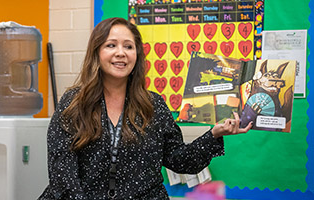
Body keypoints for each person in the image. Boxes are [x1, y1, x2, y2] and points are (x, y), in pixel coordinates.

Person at [38, 17, 253, 200]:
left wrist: (215, 134)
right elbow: (61, 173)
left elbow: (180, 160)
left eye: (128, 46)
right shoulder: (74, 102)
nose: (121, 53)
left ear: (137, 55)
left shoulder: (153, 105)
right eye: (111, 45)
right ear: (96, 52)